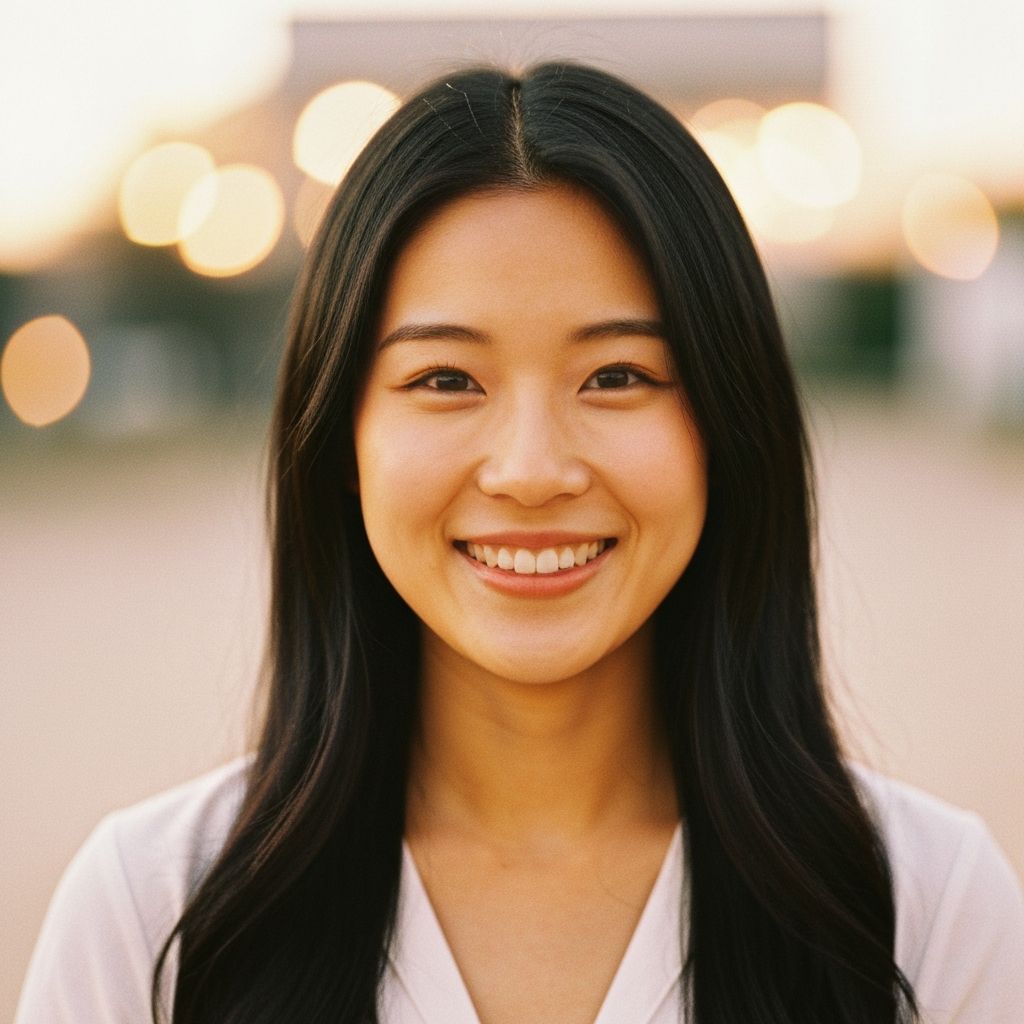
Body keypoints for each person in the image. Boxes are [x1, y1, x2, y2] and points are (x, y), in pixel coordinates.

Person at [15, 61, 1024, 1024]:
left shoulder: (924, 910)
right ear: (341, 442)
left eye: (618, 376)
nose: (532, 469)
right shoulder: (155, 915)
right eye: (445, 380)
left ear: (728, 425)